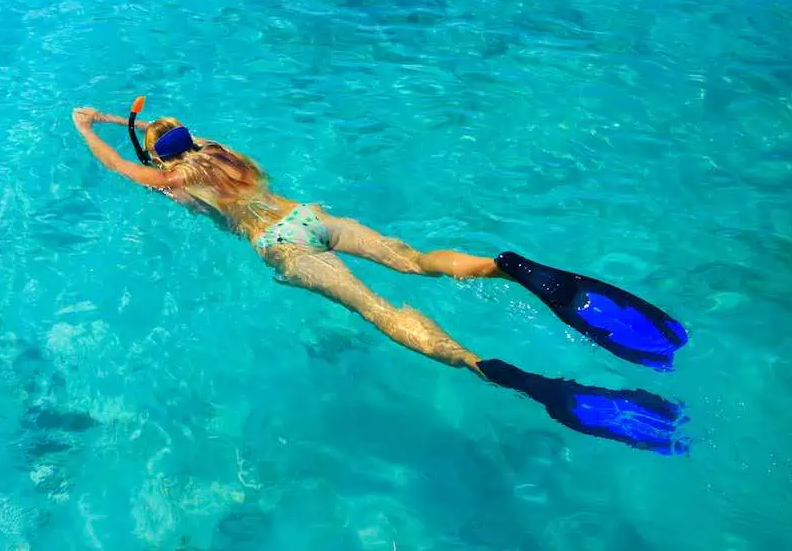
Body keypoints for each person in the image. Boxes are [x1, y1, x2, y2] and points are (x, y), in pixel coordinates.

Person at [71, 101, 690, 454]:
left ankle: (485, 367)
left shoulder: (176, 181)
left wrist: (88, 128)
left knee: (380, 311)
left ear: (161, 158)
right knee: (416, 259)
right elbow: (185, 136)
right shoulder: (225, 155)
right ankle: (505, 267)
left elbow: (122, 166)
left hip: (284, 248)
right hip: (309, 217)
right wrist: (149, 124)